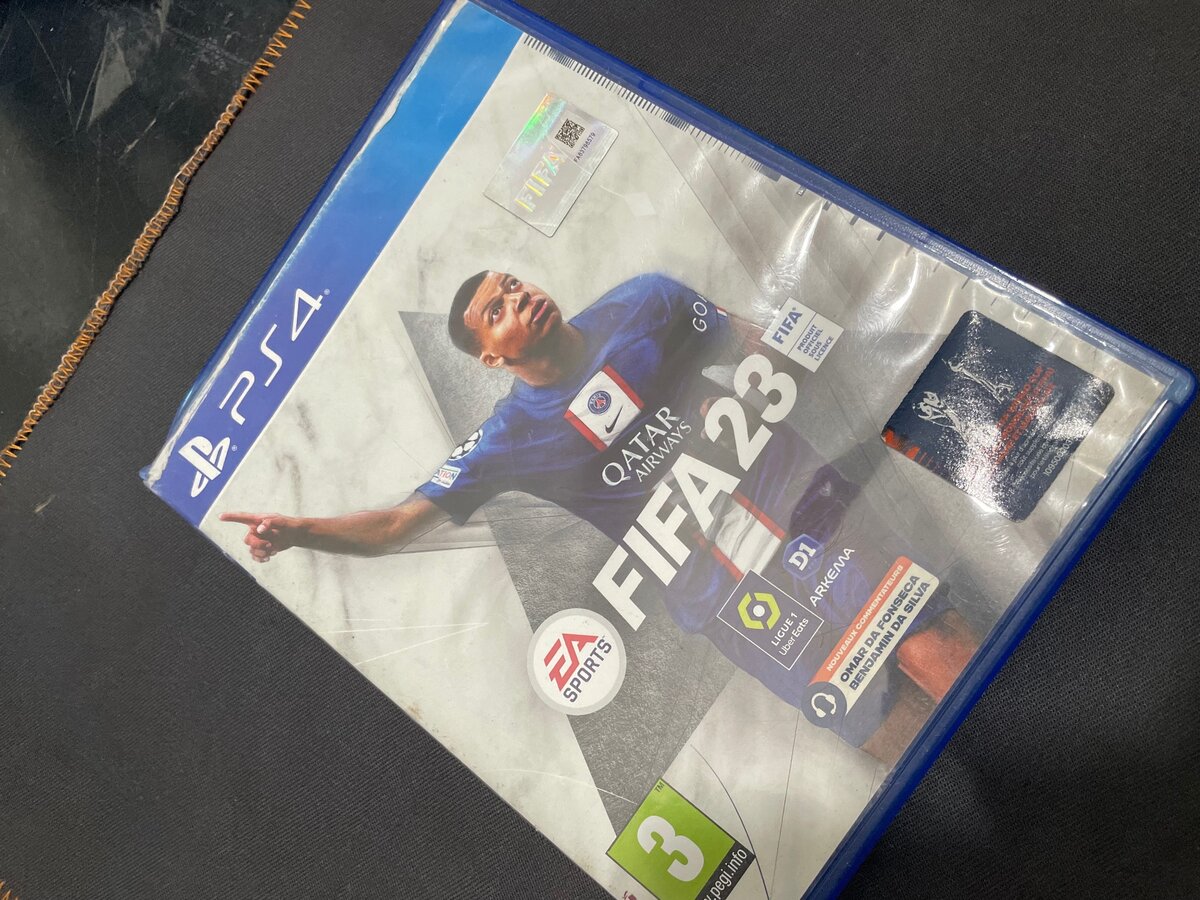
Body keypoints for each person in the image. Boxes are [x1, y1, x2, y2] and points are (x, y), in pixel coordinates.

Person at [223, 270, 976, 763]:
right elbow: (396, 526)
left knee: (929, 647)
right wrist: (300, 531)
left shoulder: (646, 302)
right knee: (877, 721)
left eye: (513, 284)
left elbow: (760, 345)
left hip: (808, 508)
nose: (518, 298)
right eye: (498, 310)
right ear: (491, 357)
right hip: (725, 597)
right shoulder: (506, 439)